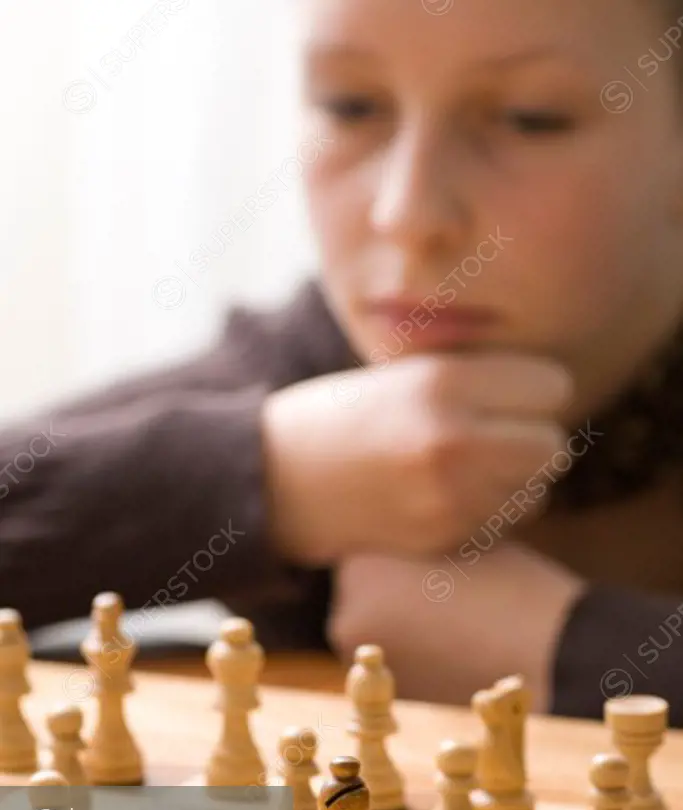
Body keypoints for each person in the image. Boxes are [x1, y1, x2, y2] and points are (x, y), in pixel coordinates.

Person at [2, 0, 683, 726]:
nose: (405, 213)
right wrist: (276, 479)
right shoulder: (305, 383)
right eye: (351, 106)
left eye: (528, 117)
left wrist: (571, 648)